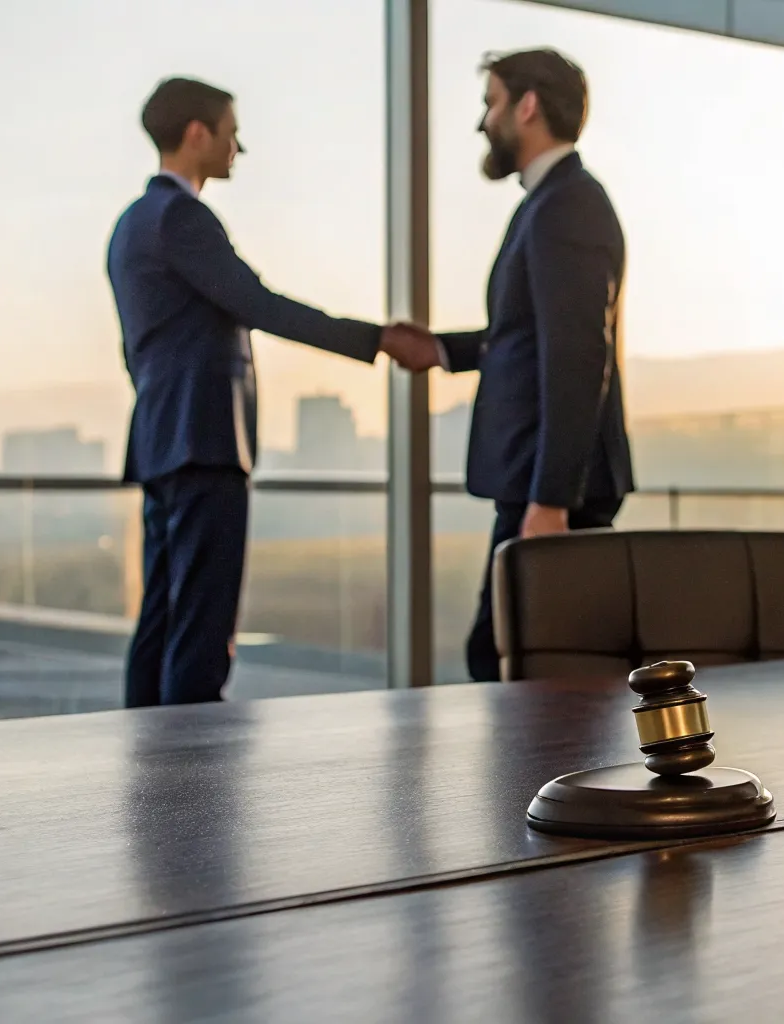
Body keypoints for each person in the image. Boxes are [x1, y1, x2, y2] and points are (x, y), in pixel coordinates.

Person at [108, 76, 437, 707]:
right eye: (232, 132)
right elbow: (258, 303)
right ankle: (191, 774)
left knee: (161, 614)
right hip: (204, 439)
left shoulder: (130, 225)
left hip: (160, 440)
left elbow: (138, 352)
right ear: (197, 133)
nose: (240, 147)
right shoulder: (182, 216)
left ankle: (148, 768)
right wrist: (376, 338)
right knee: (201, 623)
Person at [430, 49, 634, 682]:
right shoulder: (550, 201)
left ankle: (537, 786)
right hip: (543, 484)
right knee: (524, 667)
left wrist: (550, 500)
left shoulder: (567, 204)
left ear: (527, 106)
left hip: (553, 490)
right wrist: (441, 350)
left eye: (491, 102)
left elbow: (576, 355)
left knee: (512, 662)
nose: (483, 122)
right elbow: (527, 335)